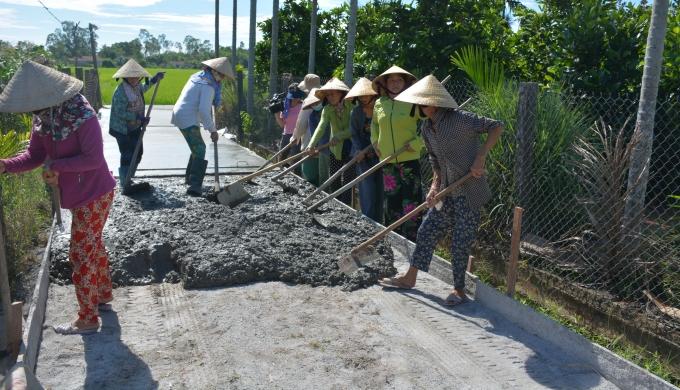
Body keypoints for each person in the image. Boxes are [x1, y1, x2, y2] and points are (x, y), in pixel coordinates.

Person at [0, 60, 117, 334]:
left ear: (53, 97)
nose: (33, 112)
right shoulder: (44, 119)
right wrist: (6, 165)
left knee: (80, 252)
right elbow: (34, 155)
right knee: (92, 246)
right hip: (78, 194)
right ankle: (103, 295)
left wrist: (56, 167)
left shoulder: (82, 117)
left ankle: (87, 319)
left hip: (96, 193)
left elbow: (93, 159)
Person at [379, 75, 503, 305]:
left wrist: (481, 157)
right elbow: (436, 163)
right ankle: (410, 278)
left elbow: (496, 126)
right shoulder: (426, 129)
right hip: (446, 191)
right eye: (419, 104)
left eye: (424, 103)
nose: (421, 107)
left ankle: (459, 290)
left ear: (435, 102)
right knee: (426, 231)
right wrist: (435, 187)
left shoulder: (461, 119)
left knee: (460, 241)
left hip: (469, 191)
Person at [371, 65, 424, 240]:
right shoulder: (380, 103)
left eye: (399, 79)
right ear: (385, 83)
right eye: (391, 80)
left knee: (411, 202)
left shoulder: (413, 102)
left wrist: (417, 143)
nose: (395, 83)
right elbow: (375, 125)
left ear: (405, 82)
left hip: (409, 160)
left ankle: (412, 240)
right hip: (388, 161)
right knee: (391, 202)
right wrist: (374, 141)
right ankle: (394, 239)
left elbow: (431, 126)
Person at [171, 57, 234, 196]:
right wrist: (213, 130)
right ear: (214, 72)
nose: (222, 78)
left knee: (196, 147)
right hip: (187, 117)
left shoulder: (197, 77)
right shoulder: (208, 87)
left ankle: (189, 178)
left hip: (181, 114)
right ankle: (194, 185)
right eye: (221, 75)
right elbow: (204, 111)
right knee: (200, 148)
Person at [108, 58, 164, 194]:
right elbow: (120, 112)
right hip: (122, 129)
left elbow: (144, 88)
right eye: (131, 77)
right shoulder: (120, 92)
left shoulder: (137, 86)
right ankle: (124, 181)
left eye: (136, 77)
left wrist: (154, 80)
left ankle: (129, 176)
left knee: (138, 152)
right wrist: (138, 117)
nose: (134, 79)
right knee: (127, 154)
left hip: (135, 127)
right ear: (125, 77)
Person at [307, 78, 355, 205]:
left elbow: (353, 129)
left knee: (348, 181)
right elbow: (321, 127)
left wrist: (339, 135)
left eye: (333, 93)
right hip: (335, 148)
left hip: (351, 148)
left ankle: (346, 207)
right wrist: (311, 145)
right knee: (334, 179)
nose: (330, 97)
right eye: (328, 94)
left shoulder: (351, 106)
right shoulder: (327, 109)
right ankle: (335, 205)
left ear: (341, 93)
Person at [346, 77, 382, 222]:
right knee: (367, 189)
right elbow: (353, 134)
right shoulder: (356, 113)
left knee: (380, 188)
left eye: (366, 94)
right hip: (361, 155)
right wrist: (359, 151)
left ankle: (379, 222)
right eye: (361, 96)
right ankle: (368, 220)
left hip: (379, 153)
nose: (363, 98)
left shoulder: (380, 109)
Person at [290, 74, 322, 185]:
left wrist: (295, 137)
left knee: (310, 179)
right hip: (325, 145)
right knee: (322, 178)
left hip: (309, 143)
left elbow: (301, 123)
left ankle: (312, 199)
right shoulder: (326, 98)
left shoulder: (309, 101)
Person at [298, 87, 329, 186]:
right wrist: (312, 146)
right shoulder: (312, 116)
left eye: (317, 102)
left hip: (333, 145)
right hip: (322, 148)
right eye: (313, 104)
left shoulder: (328, 110)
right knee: (322, 177)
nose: (316, 105)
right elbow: (314, 133)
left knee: (331, 177)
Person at [274, 83, 305, 162]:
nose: (294, 99)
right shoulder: (285, 105)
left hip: (298, 136)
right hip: (286, 135)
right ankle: (282, 172)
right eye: (293, 97)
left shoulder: (303, 106)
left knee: (295, 160)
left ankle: (295, 173)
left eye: (296, 97)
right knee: (281, 159)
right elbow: (282, 125)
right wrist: (276, 113)